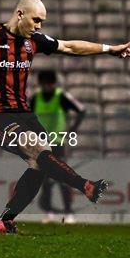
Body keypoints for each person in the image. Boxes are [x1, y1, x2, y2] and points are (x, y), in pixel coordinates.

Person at [0, 0, 130, 234]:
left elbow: (69, 46)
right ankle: (86, 186)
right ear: (20, 14)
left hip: (25, 114)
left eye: (42, 22)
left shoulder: (34, 41)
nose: (39, 26)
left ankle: (4, 221)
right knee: (38, 150)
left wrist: (109, 49)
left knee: (41, 163)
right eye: (36, 20)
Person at [30, 70, 86, 224]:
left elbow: (81, 110)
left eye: (50, 83)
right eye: (45, 83)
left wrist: (72, 130)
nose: (47, 86)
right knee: (45, 179)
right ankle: (50, 212)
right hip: (41, 143)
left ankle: (69, 213)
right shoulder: (35, 98)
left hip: (57, 142)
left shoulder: (61, 97)